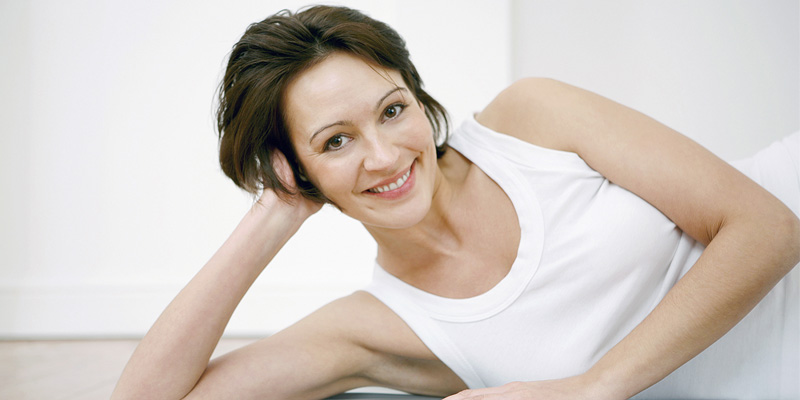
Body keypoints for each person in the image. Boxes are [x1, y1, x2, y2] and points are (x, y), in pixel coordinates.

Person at [112, 5, 800, 400]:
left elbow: (767, 226)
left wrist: (595, 386)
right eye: (336, 141)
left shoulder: (531, 120)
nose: (385, 156)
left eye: (392, 110)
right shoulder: (379, 328)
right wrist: (275, 212)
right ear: (295, 168)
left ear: (418, 97)